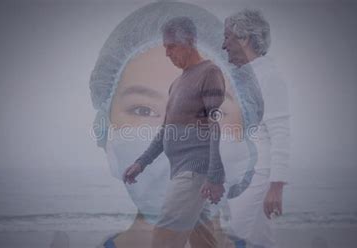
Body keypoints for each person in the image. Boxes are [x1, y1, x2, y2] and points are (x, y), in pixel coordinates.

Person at [89, 2, 264, 247]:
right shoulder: (179, 83)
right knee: (202, 237)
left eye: (171, 46)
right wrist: (142, 162)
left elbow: (213, 125)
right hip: (181, 168)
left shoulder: (210, 73)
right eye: (142, 109)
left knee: (165, 237)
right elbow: (166, 131)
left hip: (194, 170)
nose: (168, 53)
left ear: (189, 41)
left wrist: (214, 176)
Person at [221, 9, 291, 248]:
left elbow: (280, 133)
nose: (224, 45)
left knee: (246, 239)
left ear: (244, 39)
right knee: (256, 240)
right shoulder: (244, 77)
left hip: (256, 176)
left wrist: (276, 187)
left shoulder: (269, 76)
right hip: (239, 176)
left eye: (228, 37)